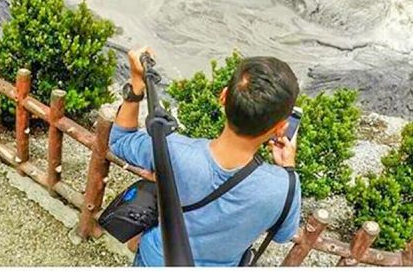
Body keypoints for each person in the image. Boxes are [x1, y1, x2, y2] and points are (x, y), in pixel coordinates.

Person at [110, 47, 302, 267]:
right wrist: (288, 169)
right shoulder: (283, 187)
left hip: (157, 259)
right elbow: (283, 235)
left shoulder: (174, 150)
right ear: (281, 128)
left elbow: (119, 141)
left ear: (223, 96)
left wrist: (136, 83)